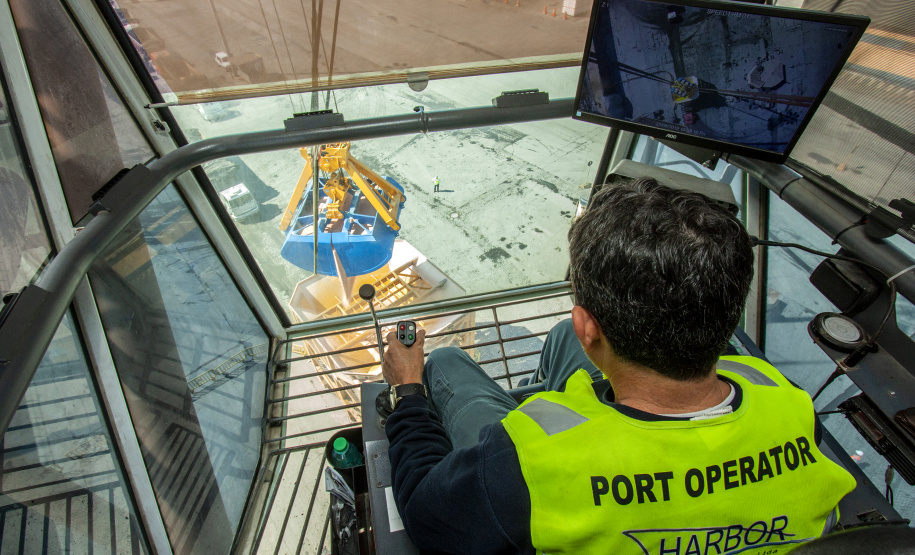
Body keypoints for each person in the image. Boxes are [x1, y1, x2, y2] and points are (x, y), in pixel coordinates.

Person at [381, 177, 856, 554]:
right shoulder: (785, 400)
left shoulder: (531, 459)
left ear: (592, 328)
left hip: (534, 465)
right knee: (560, 342)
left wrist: (407, 388)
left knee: (441, 361)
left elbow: (426, 515)